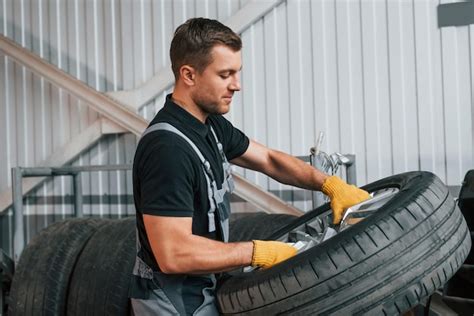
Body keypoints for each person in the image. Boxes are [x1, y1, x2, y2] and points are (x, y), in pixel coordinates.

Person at [129, 17, 370, 316]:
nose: (237, 85)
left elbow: (269, 159)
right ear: (188, 75)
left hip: (204, 290)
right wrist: (258, 252)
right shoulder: (167, 148)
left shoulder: (212, 125)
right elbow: (173, 254)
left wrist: (329, 185)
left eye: (237, 73)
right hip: (172, 304)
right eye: (225, 74)